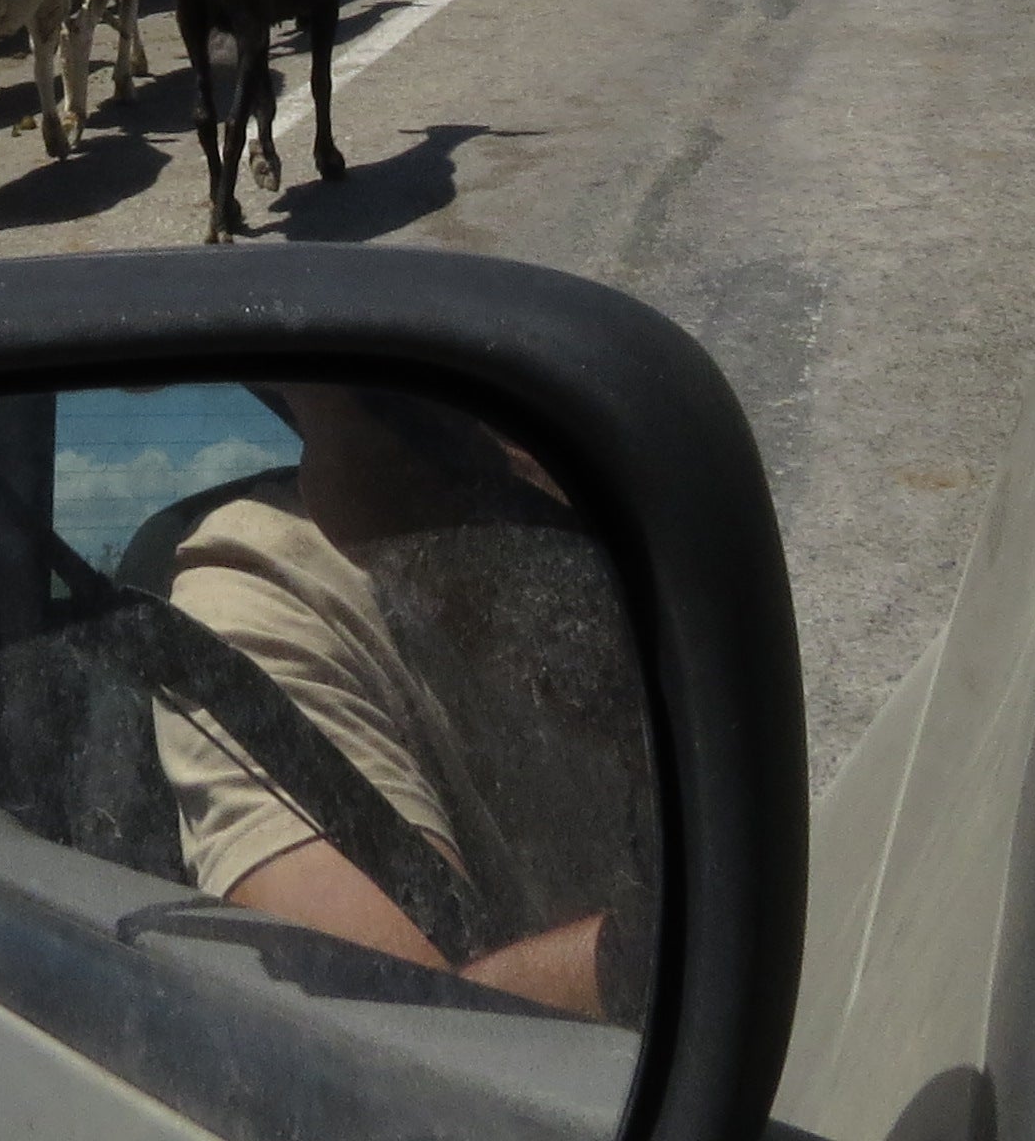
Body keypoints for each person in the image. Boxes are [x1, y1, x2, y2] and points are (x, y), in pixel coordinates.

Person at [149, 387, 657, 1022]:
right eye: (411, 411)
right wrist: (641, 955)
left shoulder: (629, 553)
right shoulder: (258, 593)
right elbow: (400, 1024)